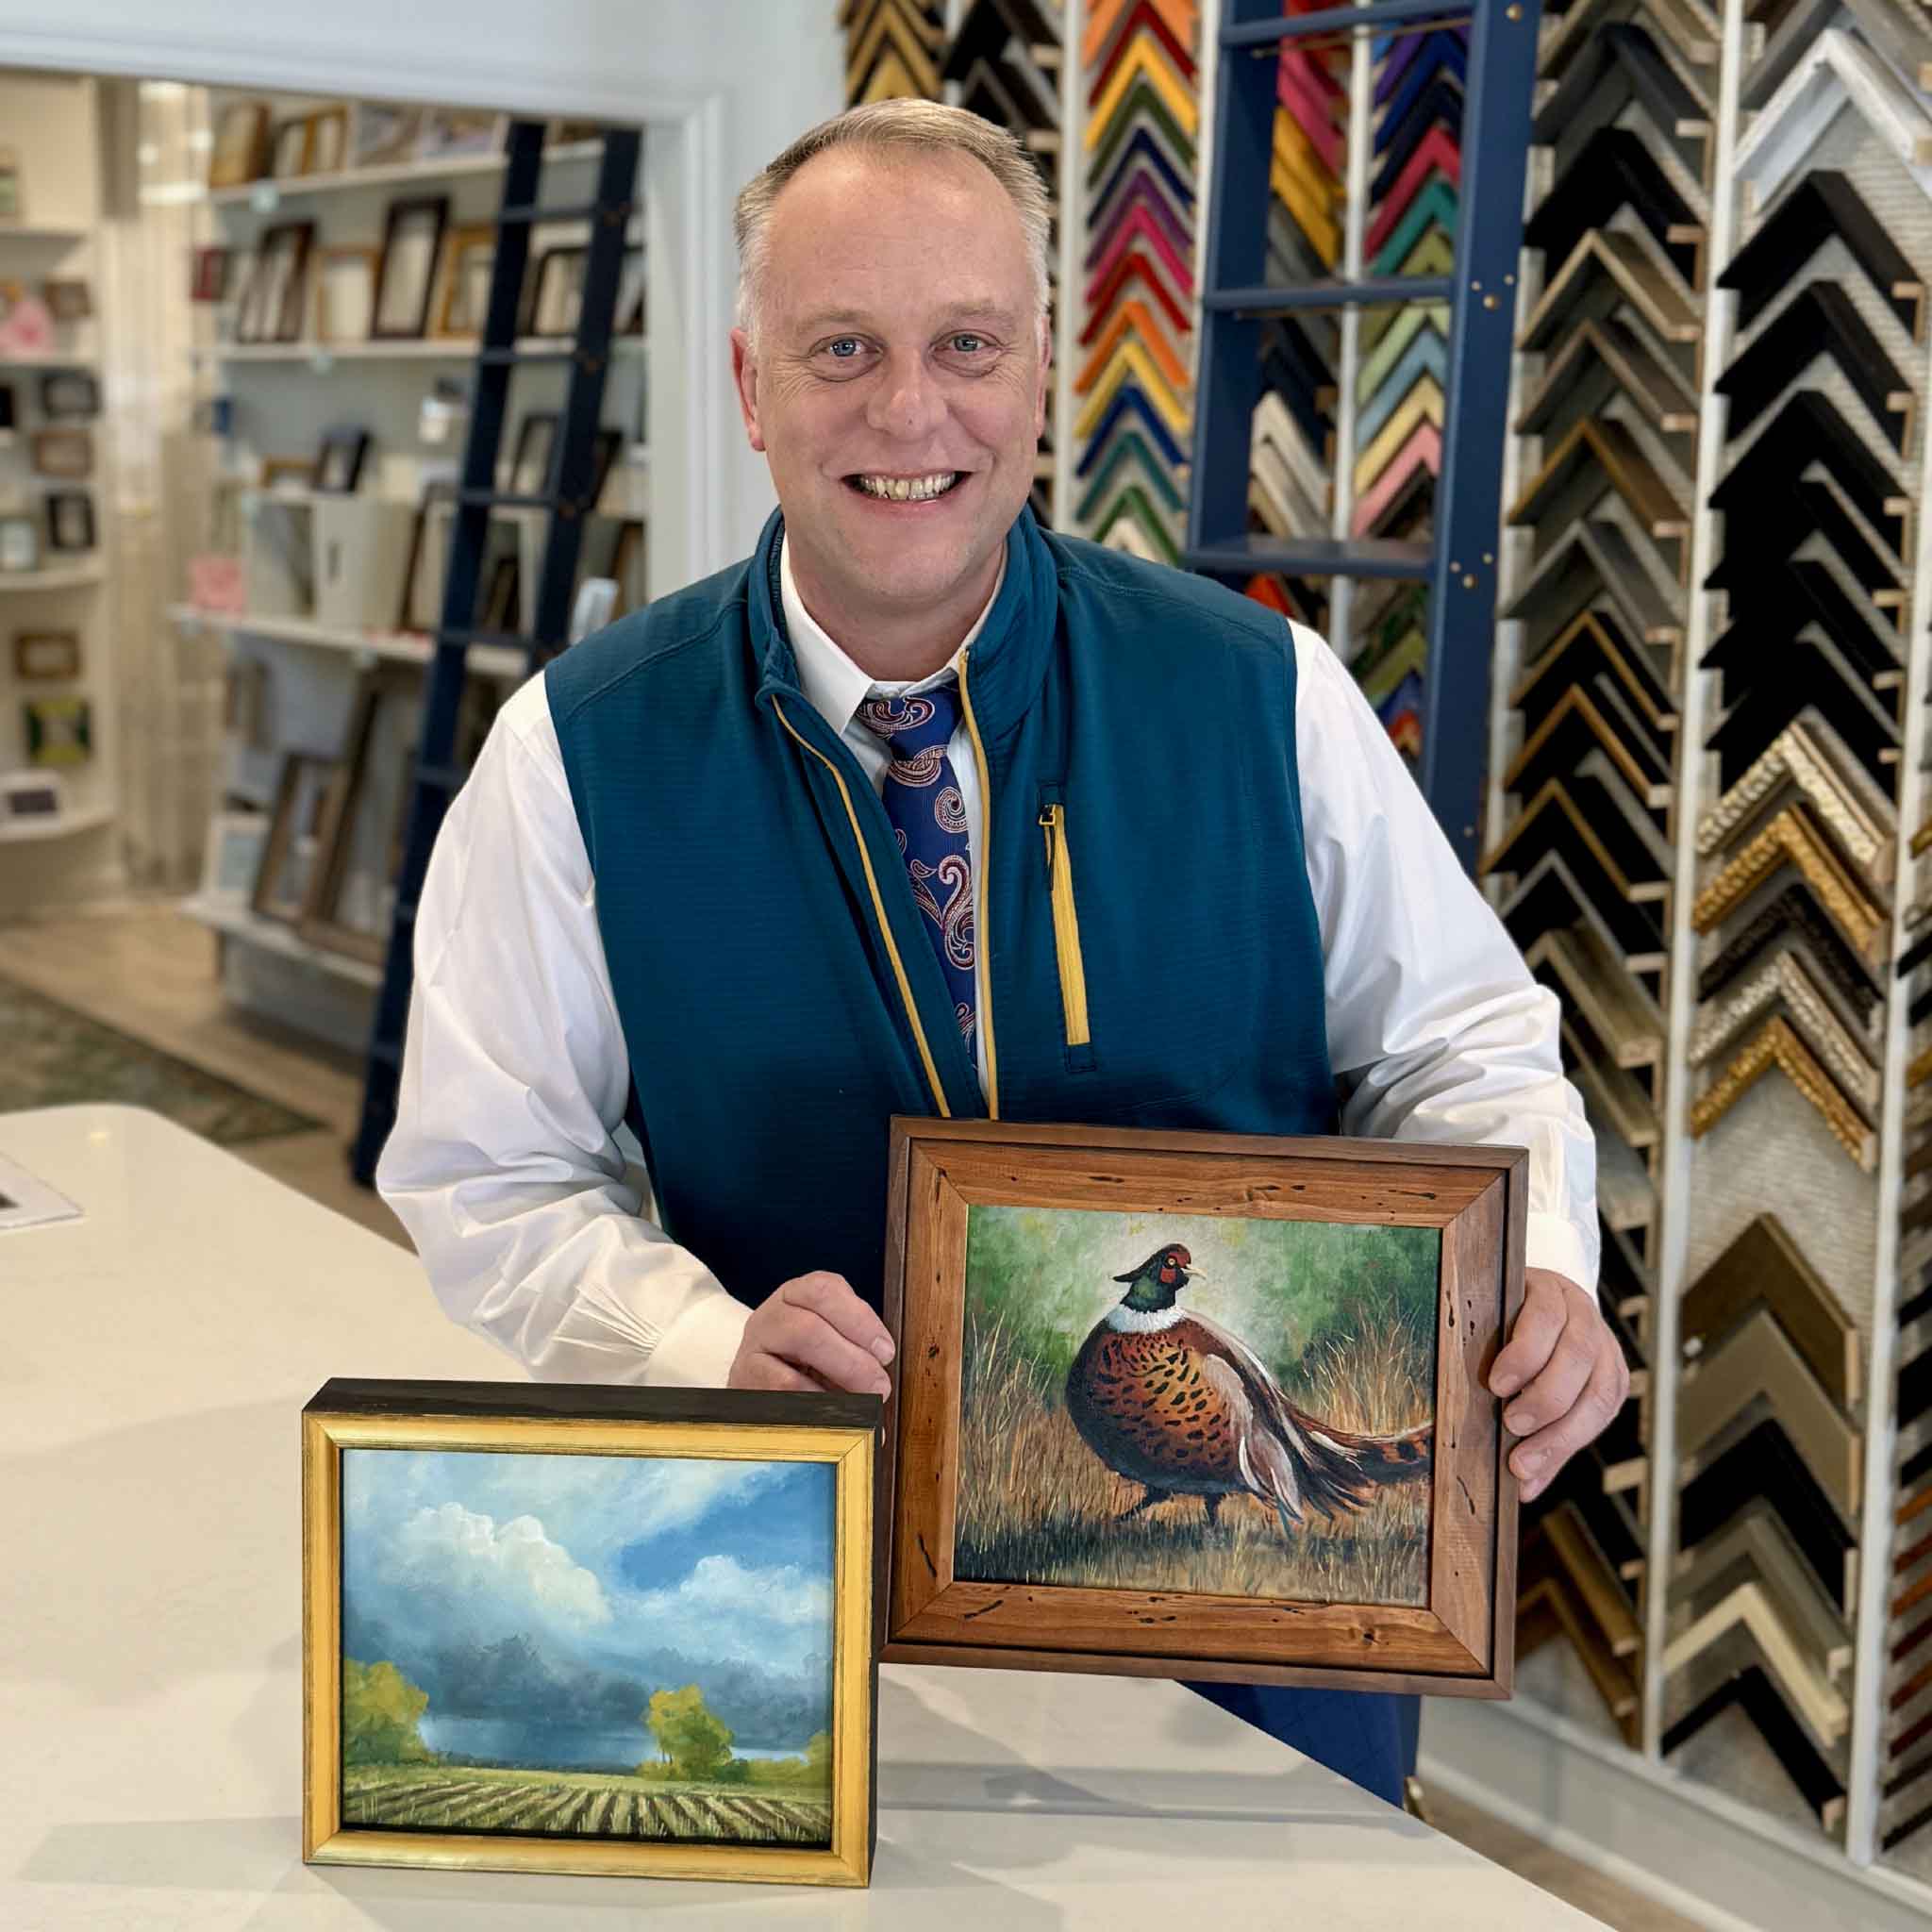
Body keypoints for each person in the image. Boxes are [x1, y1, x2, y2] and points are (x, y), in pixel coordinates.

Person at [377, 99, 1624, 1812]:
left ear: (1041, 371)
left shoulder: (1259, 693)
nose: (911, 410)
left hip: (1259, 1621)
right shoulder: (578, 753)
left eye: (966, 343)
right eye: (843, 349)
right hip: (815, 1610)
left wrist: (1542, 1257)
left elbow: (1465, 1044)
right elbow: (486, 1173)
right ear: (750, 385)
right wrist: (697, 1343)